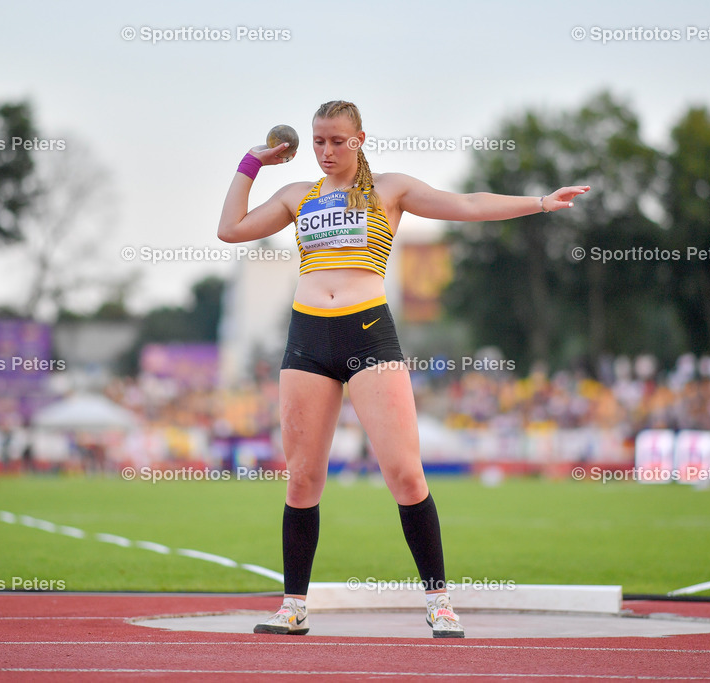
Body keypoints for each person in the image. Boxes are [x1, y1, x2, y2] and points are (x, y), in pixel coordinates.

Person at [219, 100, 589, 638]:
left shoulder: (389, 190)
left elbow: (466, 204)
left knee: (405, 473)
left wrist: (540, 202)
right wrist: (251, 162)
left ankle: (439, 601)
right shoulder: (298, 195)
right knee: (301, 479)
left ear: (361, 139)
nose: (326, 151)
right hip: (306, 339)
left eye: (338, 141)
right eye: (319, 141)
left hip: (367, 331)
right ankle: (293, 606)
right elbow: (230, 230)